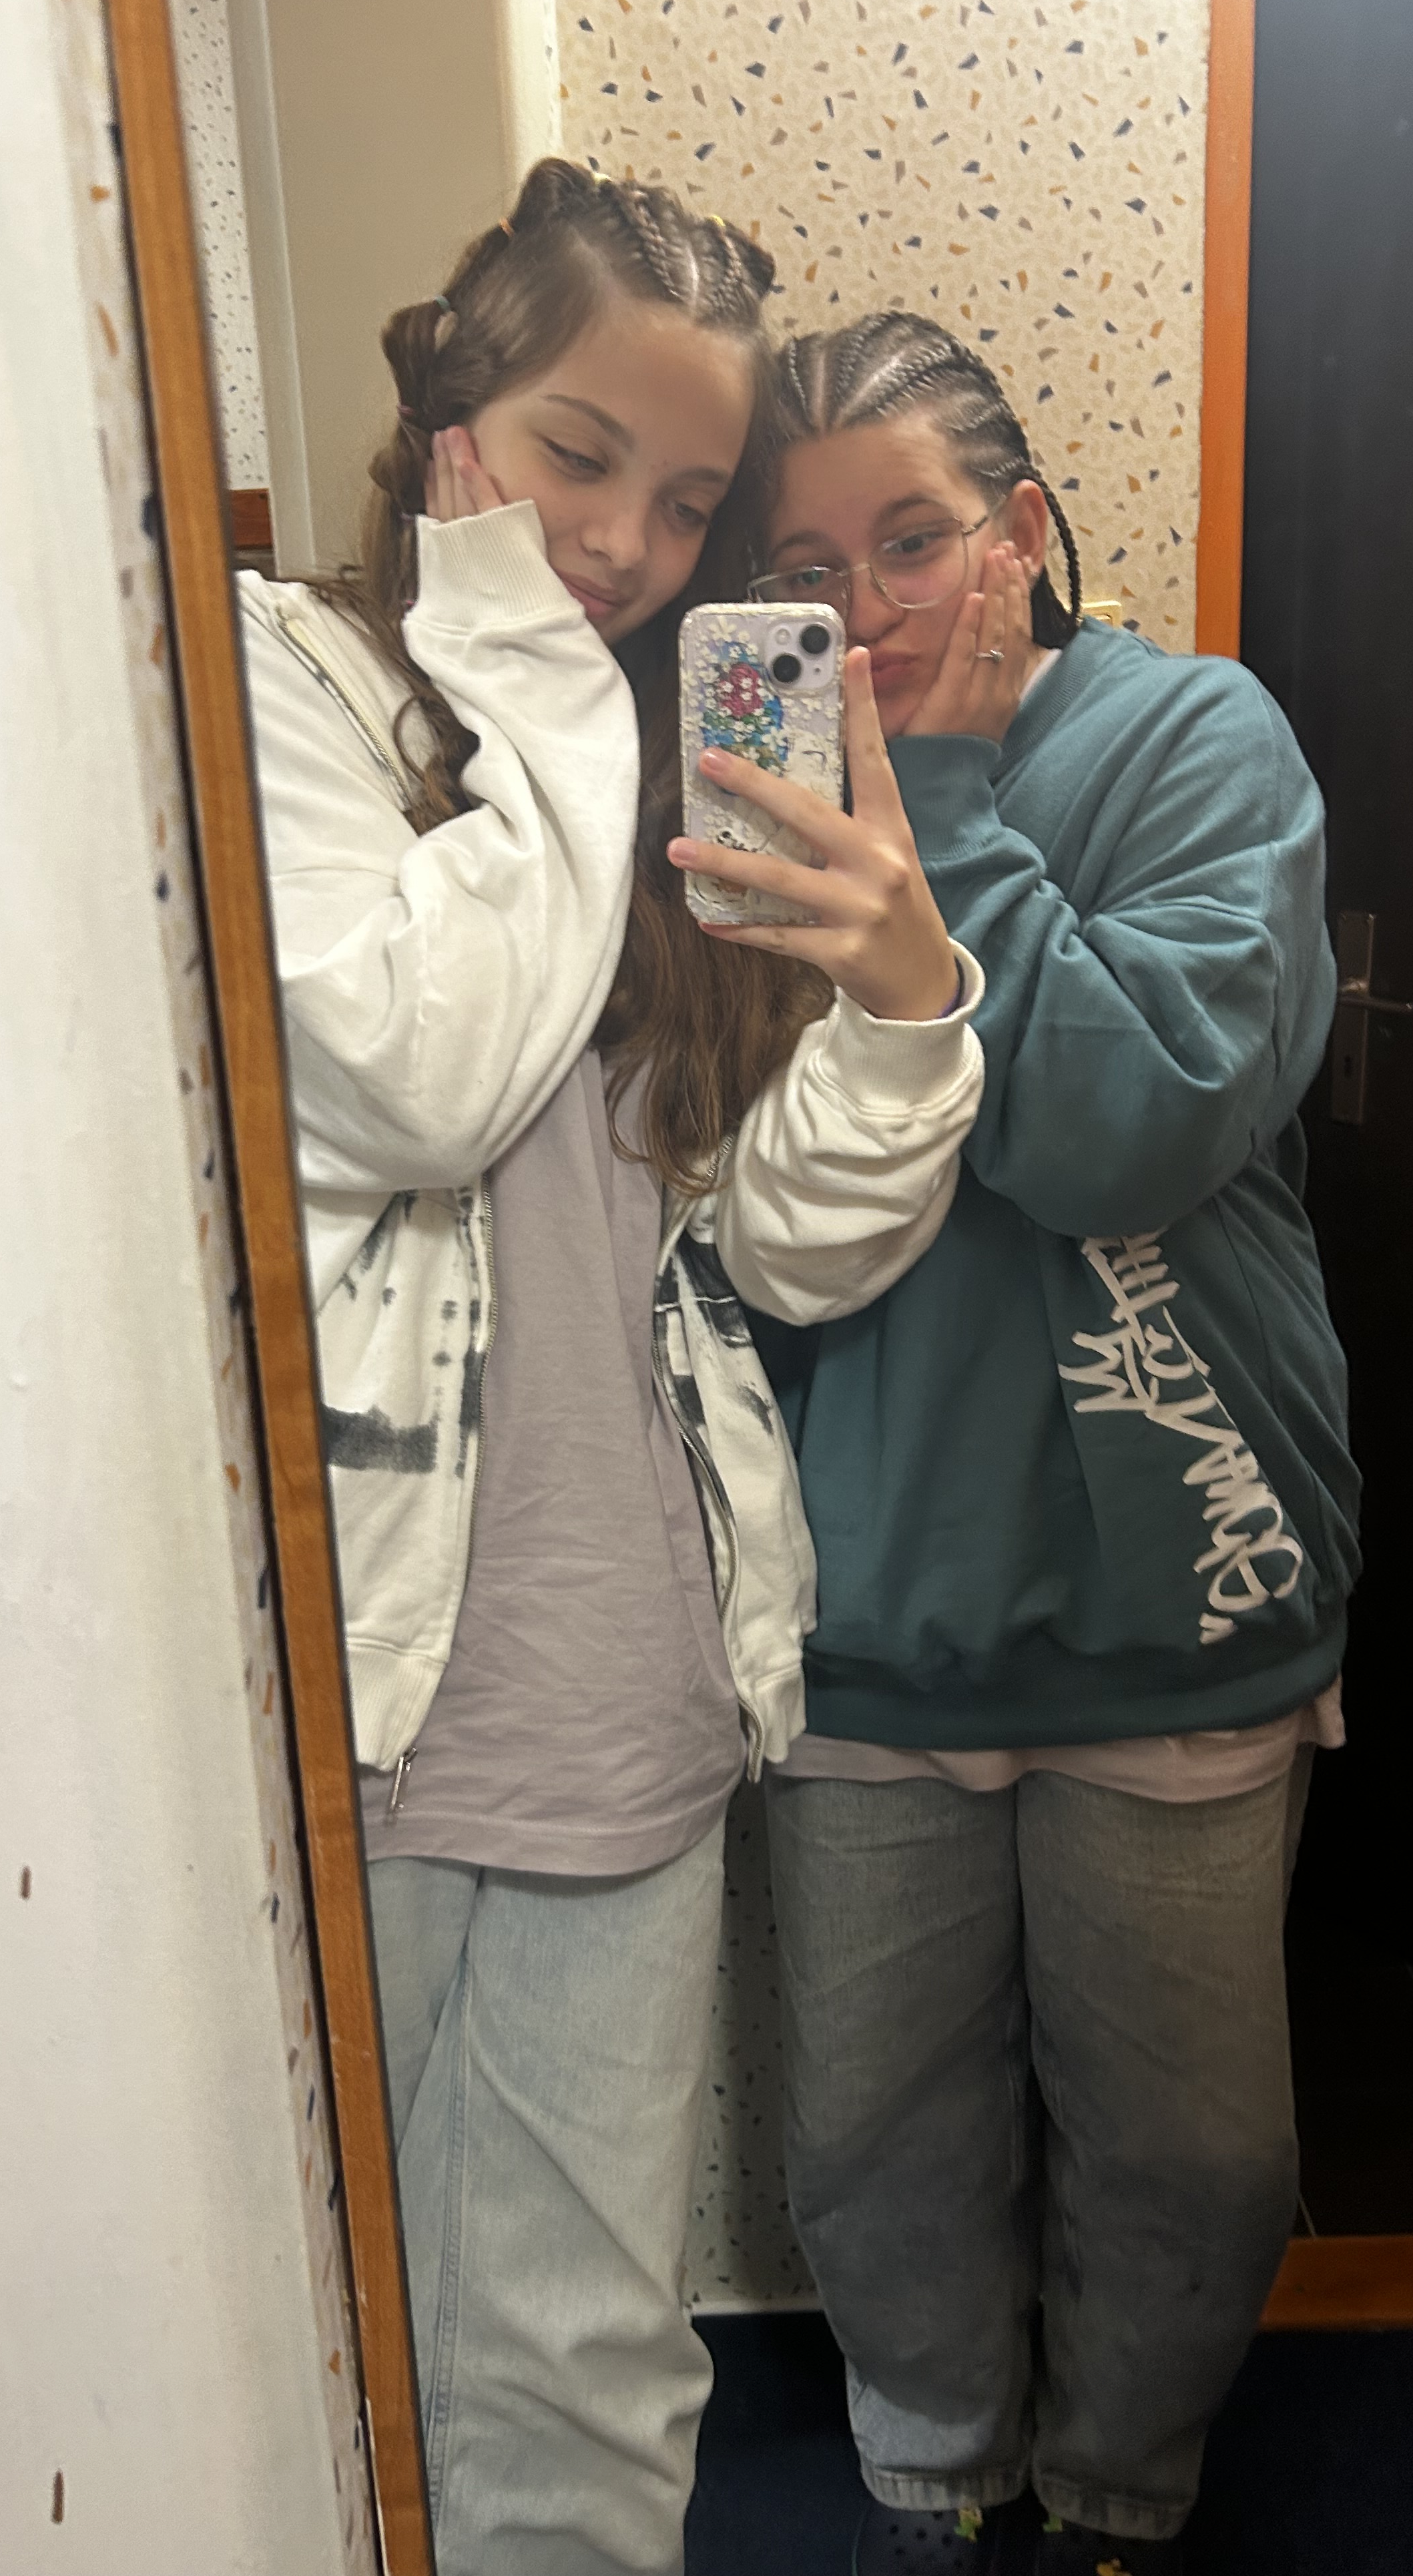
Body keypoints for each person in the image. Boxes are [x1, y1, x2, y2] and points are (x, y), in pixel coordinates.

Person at [236, 180, 986, 2576]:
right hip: (357, 1698)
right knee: (282, 2358)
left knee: (587, 2366)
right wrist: (528, 674)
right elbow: (412, 1071)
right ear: (451, 400)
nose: (626, 552)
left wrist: (904, 997)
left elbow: (784, 1244)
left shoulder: (658, 777)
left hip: (629, 1681)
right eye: (577, 457)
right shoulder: (282, 684)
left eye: (684, 505)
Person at [669, 313, 1361, 2576]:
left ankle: (1126, 2491)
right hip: (871, 1586)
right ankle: (934, 2472)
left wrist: (952, 807)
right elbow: (724, 1182)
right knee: (875, 2131)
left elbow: (1120, 1127)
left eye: (911, 541)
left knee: (1195, 2151)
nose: (862, 608)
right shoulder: (758, 790)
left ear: (1026, 535)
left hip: (1178, 1569)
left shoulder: (1195, 739)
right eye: (802, 568)